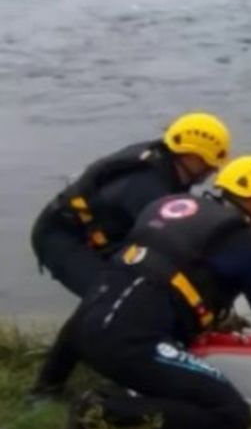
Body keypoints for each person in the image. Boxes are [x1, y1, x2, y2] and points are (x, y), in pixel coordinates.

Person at [30, 156, 251, 429]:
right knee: (232, 416)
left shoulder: (167, 205)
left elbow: (169, 272)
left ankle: (46, 388)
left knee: (122, 291)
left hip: (85, 327)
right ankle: (105, 409)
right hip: (131, 345)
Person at [30, 112, 231, 298]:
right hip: (62, 237)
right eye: (208, 162)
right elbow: (166, 241)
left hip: (103, 234)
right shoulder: (146, 185)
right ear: (189, 155)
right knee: (111, 296)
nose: (212, 169)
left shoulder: (166, 165)